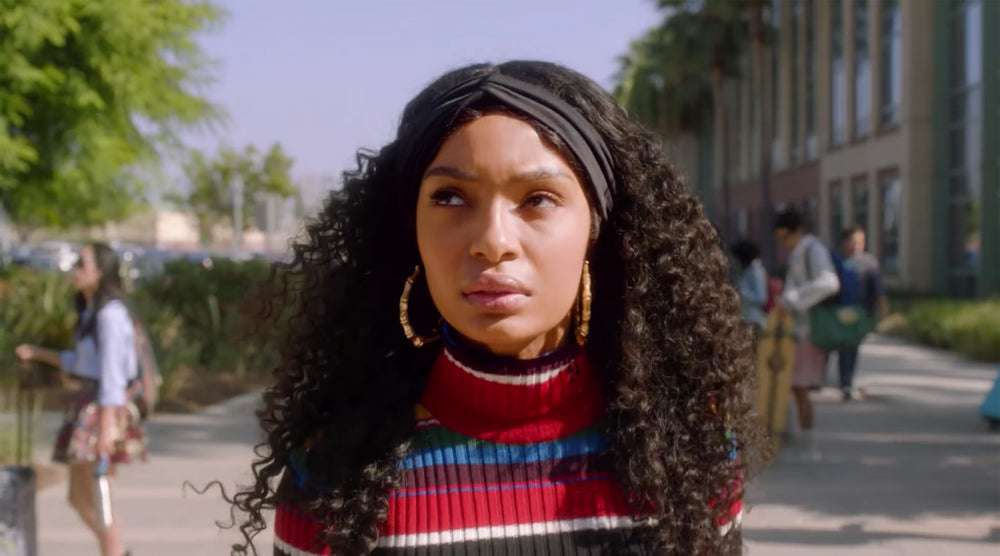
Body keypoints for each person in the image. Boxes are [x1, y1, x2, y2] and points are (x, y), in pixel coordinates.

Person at [233, 61, 761, 555]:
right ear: (410, 228)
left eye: (538, 199)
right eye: (450, 197)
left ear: (599, 230)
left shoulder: (690, 454)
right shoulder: (334, 471)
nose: (492, 241)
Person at [15, 243, 146, 556]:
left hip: (103, 411)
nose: (74, 270)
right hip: (91, 406)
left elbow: (113, 377)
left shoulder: (110, 315)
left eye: (81, 264)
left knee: (100, 498)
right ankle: (116, 551)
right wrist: (37, 353)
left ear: (101, 272)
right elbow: (82, 363)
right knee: (79, 497)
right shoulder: (92, 313)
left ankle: (115, 552)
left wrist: (105, 430)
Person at [772, 209, 840, 461]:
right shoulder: (802, 251)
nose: (784, 243)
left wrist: (792, 299)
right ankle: (799, 441)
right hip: (798, 330)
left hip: (808, 331)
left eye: (786, 237)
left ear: (798, 231)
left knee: (800, 387)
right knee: (794, 386)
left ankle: (809, 445)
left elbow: (829, 282)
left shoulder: (812, 250)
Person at [837, 226, 889, 400]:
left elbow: (878, 289)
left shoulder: (869, 263)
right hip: (842, 311)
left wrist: (883, 308)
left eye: (860, 242)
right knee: (845, 345)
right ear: (844, 242)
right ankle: (845, 381)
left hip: (861, 312)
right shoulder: (837, 261)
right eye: (853, 242)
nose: (857, 246)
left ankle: (846, 380)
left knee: (851, 346)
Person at [730, 240, 769, 337]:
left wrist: (742, 292)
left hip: (755, 320)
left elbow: (761, 298)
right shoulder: (746, 271)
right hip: (746, 318)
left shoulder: (756, 272)